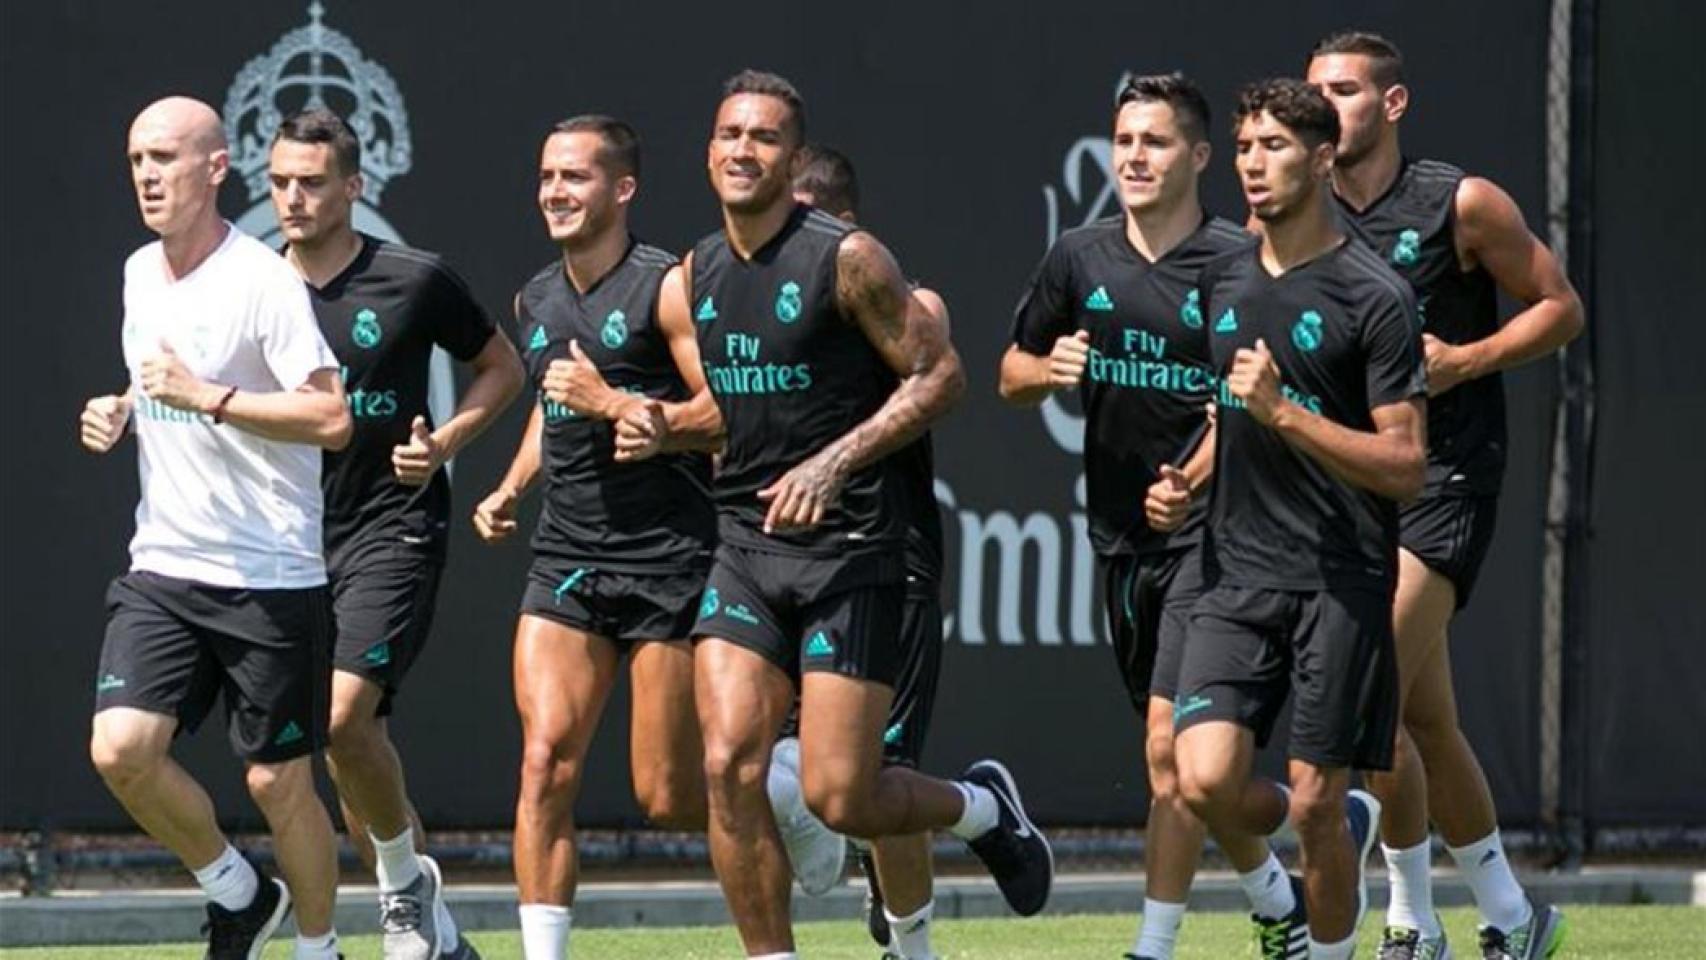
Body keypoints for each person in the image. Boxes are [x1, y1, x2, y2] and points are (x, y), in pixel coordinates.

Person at [615, 70, 1052, 959]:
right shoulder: (694, 271)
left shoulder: (847, 258)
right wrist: (662, 428)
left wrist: (835, 459)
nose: (744, 150)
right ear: (707, 152)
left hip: (852, 552)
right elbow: (734, 410)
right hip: (745, 548)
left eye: (765, 138)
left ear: (791, 159)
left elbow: (944, 377)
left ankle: (980, 809)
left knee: (842, 797)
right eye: (730, 134)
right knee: (728, 765)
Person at [471, 115, 834, 960]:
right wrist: (512, 486)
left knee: (671, 794)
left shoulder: (670, 286)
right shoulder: (535, 298)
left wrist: (648, 419)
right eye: (547, 177)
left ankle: (790, 789)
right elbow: (552, 403)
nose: (557, 192)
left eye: (577, 178)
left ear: (622, 189)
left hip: (671, 561)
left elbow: (731, 412)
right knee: (544, 762)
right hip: (567, 557)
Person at [1306, 30, 1582, 960]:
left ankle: (1410, 919)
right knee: (1421, 719)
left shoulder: (1459, 203)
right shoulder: (1301, 215)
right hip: (1355, 491)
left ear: (1391, 104)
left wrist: (1466, 361)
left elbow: (1559, 306)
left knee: (1362, 677)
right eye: (1313, 93)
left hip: (1447, 481)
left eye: (1342, 91)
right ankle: (1511, 915)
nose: (1323, 108)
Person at [81, 95, 352, 960]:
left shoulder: (264, 281)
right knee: (121, 748)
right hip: (163, 563)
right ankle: (240, 892)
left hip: (269, 572)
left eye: (165, 158)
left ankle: (319, 949)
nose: (148, 176)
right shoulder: (135, 272)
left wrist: (211, 398)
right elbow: (152, 376)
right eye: (135, 161)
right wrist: (118, 407)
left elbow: (331, 416)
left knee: (279, 782)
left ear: (216, 168)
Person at [998, 72, 1258, 960]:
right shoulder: (1080, 256)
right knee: (1183, 767)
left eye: (1154, 141)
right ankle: (1276, 893)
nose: (1134, 157)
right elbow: (1007, 373)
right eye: (1124, 141)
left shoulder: (1236, 261)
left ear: (1198, 155)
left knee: (1165, 750)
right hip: (1119, 537)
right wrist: (1049, 369)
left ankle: (1152, 947)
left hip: (1215, 539)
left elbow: (1246, 400)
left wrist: (1190, 477)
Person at [1171, 78, 1426, 960]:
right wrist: (1191, 481)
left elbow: (1405, 463)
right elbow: (1227, 410)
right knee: (1200, 780)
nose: (1252, 164)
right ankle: (1340, 832)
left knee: (1317, 801)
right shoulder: (1223, 281)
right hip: (1234, 575)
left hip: (1341, 580)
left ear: (1322, 161)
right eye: (1244, 148)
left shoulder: (1375, 295)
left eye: (1273, 147)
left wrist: (1289, 417)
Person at [270, 106, 524, 960]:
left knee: (345, 723)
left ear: (353, 186)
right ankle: (425, 905)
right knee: (350, 746)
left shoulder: (415, 280)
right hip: (293, 540)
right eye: (278, 184)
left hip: (393, 523)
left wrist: (448, 443)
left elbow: (504, 366)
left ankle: (399, 892)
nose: (292, 199)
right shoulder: (254, 288)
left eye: (311, 182)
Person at [791, 143, 951, 960]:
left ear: (841, 226)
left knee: (886, 775)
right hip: (781, 561)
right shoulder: (756, 298)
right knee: (763, 753)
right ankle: (827, 830)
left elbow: (934, 375)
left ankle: (909, 946)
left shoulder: (907, 300)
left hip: (892, 556)